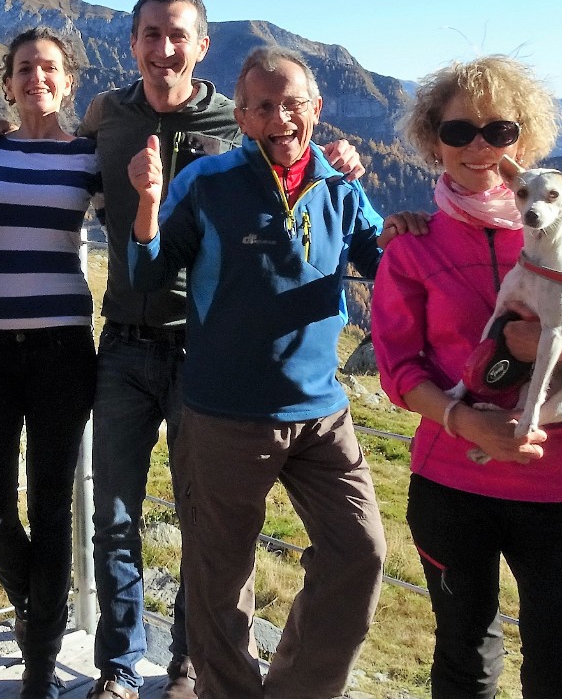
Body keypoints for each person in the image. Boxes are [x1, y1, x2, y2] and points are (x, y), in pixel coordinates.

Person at [0, 0, 366, 699]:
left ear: (201, 46)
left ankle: (185, 665)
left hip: (205, 351)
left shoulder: (234, 119)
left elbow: (291, 152)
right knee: (113, 514)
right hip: (122, 342)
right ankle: (118, 666)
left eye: (178, 34)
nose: (163, 47)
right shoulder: (107, 115)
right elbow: (49, 145)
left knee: (201, 521)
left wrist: (341, 159)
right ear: (134, 43)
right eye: (150, 34)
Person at [371, 55, 562, 699]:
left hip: (561, 490)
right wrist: (469, 423)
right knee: (465, 668)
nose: (480, 147)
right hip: (451, 484)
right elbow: (398, 369)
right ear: (435, 142)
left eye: (500, 131)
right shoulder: (413, 245)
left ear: (526, 142)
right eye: (459, 132)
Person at [127, 45, 405, 699]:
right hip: (223, 413)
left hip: (321, 413)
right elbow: (147, 274)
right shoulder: (209, 182)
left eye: (292, 104)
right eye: (262, 107)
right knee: (220, 582)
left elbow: (389, 265)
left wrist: (429, 233)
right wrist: (146, 199)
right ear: (243, 117)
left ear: (316, 109)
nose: (280, 117)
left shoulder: (341, 186)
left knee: (360, 554)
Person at [0, 28, 103, 699]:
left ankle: (39, 667)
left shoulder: (90, 156)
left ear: (68, 81)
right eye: (23, 68)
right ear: (6, 82)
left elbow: (134, 218)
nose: (36, 75)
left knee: (49, 504)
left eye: (49, 67)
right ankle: (45, 613)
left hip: (63, 350)